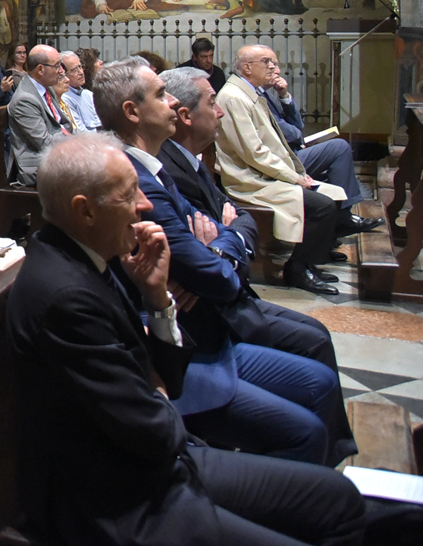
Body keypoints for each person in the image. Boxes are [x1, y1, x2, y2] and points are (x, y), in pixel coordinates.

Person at [0, 132, 364, 546]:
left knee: (339, 498)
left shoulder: (86, 258)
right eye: (129, 193)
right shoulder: (65, 296)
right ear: (85, 212)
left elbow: (165, 383)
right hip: (126, 499)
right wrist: (156, 391)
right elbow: (152, 427)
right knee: (335, 511)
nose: (145, 204)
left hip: (160, 460)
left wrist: (156, 298)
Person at [91, 61, 351, 465]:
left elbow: (229, 220)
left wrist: (220, 244)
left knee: (316, 371)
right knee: (309, 416)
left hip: (201, 327)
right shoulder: (138, 181)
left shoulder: (157, 167)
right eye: (161, 94)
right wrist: (221, 249)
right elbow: (217, 277)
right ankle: (313, 500)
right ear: (132, 112)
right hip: (192, 347)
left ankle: (323, 491)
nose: (173, 101)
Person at [216, 47, 341, 295]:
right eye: (267, 62)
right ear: (247, 67)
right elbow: (255, 153)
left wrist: (295, 174)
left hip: (264, 173)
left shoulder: (250, 93)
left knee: (333, 196)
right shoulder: (233, 98)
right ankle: (297, 269)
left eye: (275, 62)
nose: (275, 68)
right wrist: (293, 177)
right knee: (322, 206)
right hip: (249, 180)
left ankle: (308, 262)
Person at [256, 67, 372, 236]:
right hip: (282, 159)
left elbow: (297, 125)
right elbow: (287, 132)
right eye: (269, 65)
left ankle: (340, 219)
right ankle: (343, 219)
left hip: (291, 150)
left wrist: (284, 96)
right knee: (339, 147)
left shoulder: (267, 94)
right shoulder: (255, 96)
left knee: (337, 156)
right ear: (250, 67)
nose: (277, 70)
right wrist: (298, 137)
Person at [4, 44, 75, 185]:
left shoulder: (47, 88)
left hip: (58, 154)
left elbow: (65, 125)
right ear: (41, 69)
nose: (61, 71)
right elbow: (44, 143)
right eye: (56, 66)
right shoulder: (24, 100)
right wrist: (77, 143)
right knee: (94, 173)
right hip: (38, 165)